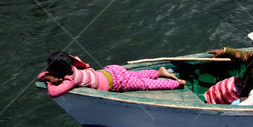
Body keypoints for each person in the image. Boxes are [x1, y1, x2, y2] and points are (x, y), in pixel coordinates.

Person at [37, 51, 184, 97]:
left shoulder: (70, 80)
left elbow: (54, 92)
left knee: (144, 84)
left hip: (117, 82)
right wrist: (49, 74)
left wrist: (49, 80)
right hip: (111, 71)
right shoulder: (75, 67)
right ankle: (158, 71)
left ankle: (176, 83)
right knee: (136, 75)